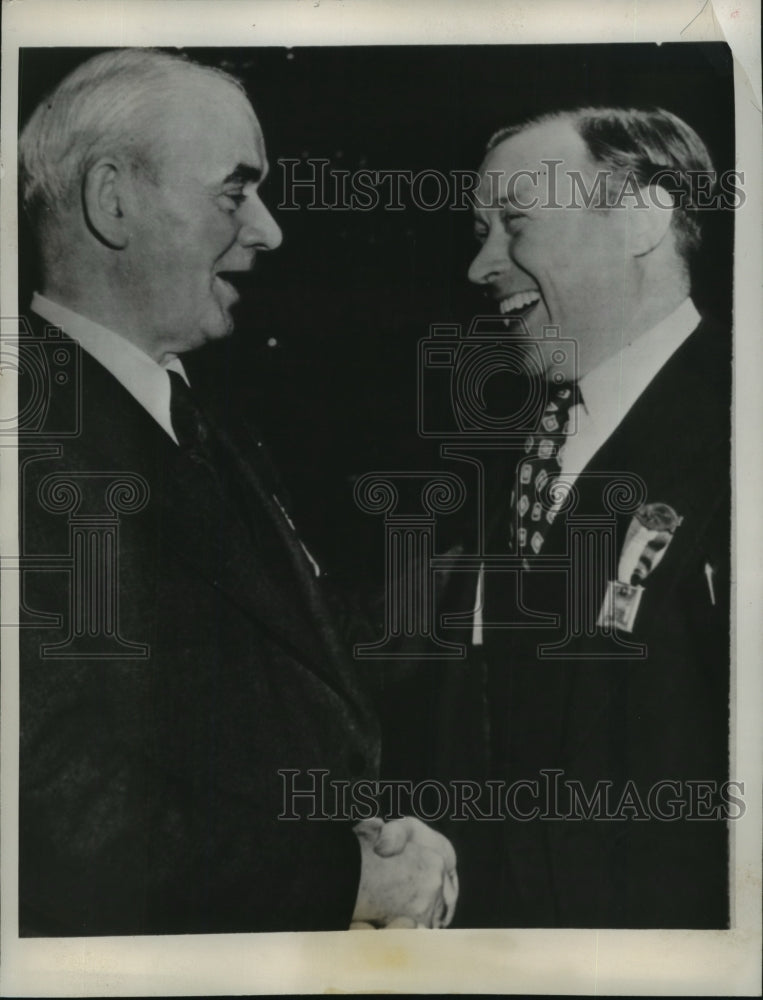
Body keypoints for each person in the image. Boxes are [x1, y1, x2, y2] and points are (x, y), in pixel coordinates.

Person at [17, 47, 457, 936]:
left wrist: (487, 585)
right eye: (234, 191)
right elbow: (44, 802)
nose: (268, 229)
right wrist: (340, 880)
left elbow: (299, 649)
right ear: (113, 201)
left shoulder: (193, 415)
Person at [441, 106, 730, 928]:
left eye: (514, 225)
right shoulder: (511, 451)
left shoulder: (737, 425)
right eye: (479, 229)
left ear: (642, 217)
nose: (481, 264)